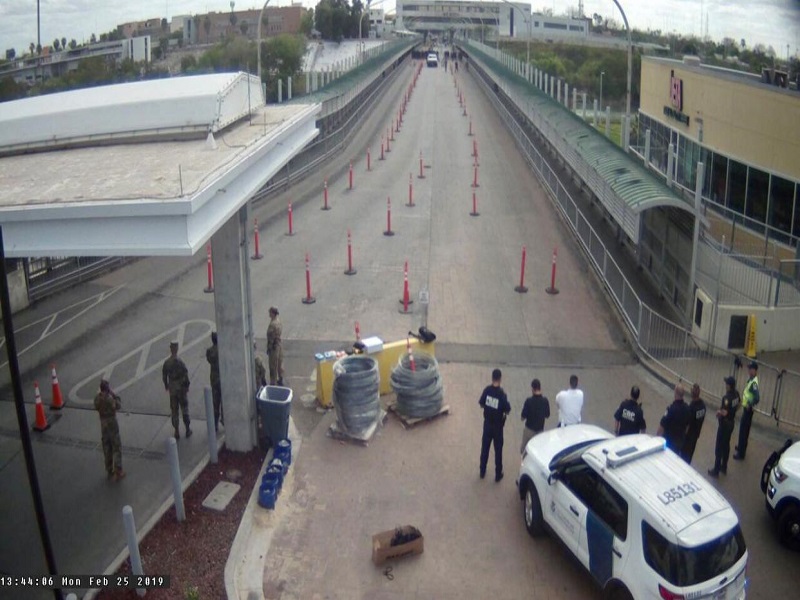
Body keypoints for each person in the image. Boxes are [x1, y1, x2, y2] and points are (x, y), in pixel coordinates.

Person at [479, 368, 511, 482]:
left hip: (487, 425)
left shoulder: (487, 390)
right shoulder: (502, 394)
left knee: (485, 449)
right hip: (498, 427)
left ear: (492, 378)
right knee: (498, 451)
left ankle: (482, 471)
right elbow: (507, 410)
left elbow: (481, 403)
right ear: (500, 379)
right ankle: (498, 474)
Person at [708, 376, 741, 477]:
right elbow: (739, 404)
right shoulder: (736, 394)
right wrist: (733, 411)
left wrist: (719, 412)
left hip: (724, 425)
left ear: (729, 386)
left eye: (726, 384)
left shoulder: (726, 398)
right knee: (726, 445)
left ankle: (716, 470)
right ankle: (724, 467)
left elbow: (725, 412)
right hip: (731, 423)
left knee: (719, 447)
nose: (725, 385)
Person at [94, 379, 125, 481]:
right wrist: (114, 395)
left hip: (103, 423)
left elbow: (96, 406)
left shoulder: (97, 399)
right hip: (112, 423)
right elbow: (118, 405)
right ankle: (118, 469)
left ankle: (108, 468)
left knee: (106, 446)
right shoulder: (110, 399)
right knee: (116, 446)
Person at [162, 340, 191, 440]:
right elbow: (185, 375)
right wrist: (187, 386)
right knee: (185, 409)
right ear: (177, 349)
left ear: (171, 349)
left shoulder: (167, 363)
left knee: (174, 410)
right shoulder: (180, 362)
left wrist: (166, 386)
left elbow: (164, 376)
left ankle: (176, 431)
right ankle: (187, 429)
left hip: (173, 389)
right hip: (181, 388)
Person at [734, 362, 760, 460]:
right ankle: (741, 446)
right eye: (749, 369)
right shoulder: (751, 380)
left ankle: (741, 453)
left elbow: (757, 398)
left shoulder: (753, 383)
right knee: (743, 430)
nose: (749, 371)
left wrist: (750, 403)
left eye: (750, 369)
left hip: (748, 411)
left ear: (755, 370)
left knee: (743, 431)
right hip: (746, 409)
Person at [657, 383, 691, 453]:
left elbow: (662, 426)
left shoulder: (671, 409)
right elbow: (687, 426)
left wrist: (657, 440)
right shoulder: (687, 408)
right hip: (679, 443)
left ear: (675, 393)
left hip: (669, 443)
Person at [520, 378, 550, 452]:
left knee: (524, 450)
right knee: (538, 450)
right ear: (540, 388)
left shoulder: (529, 401)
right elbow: (547, 415)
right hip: (540, 431)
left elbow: (523, 417)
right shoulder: (545, 401)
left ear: (532, 389)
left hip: (529, 430)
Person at [681, 383, 707, 464]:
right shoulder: (703, 406)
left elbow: (688, 424)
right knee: (690, 454)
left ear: (692, 393)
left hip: (689, 436)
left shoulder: (691, 407)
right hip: (696, 434)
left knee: (683, 457)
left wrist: (683, 435)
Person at [206, 331, 222, 432]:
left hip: (214, 378)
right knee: (224, 401)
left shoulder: (209, 351)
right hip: (222, 378)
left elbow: (209, 360)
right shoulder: (222, 350)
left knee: (215, 403)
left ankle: (215, 424)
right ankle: (225, 421)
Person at [267, 307, 285, 386]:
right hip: (279, 344)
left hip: (274, 347)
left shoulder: (272, 324)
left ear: (273, 313)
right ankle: (281, 378)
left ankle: (273, 382)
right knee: (280, 363)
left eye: (270, 312)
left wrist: (269, 348)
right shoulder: (279, 321)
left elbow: (271, 337)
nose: (269, 314)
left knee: (273, 365)